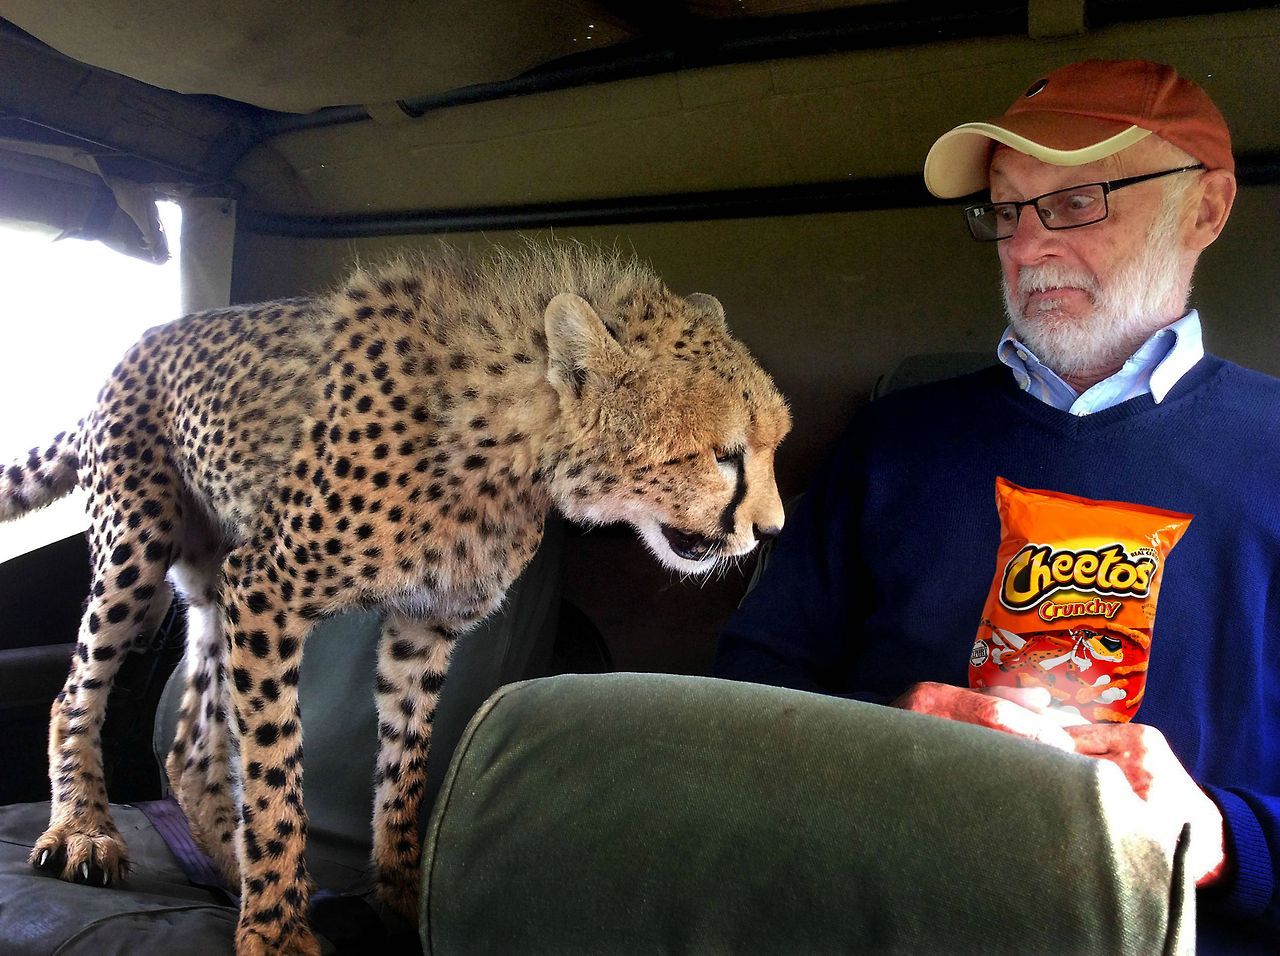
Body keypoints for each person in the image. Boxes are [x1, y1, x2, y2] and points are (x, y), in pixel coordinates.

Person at [714, 59, 1277, 952]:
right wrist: (879, 738)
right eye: (1008, 209)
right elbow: (741, 698)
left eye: (1078, 201)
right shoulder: (893, 440)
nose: (1027, 246)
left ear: (1205, 209)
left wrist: (1224, 837)